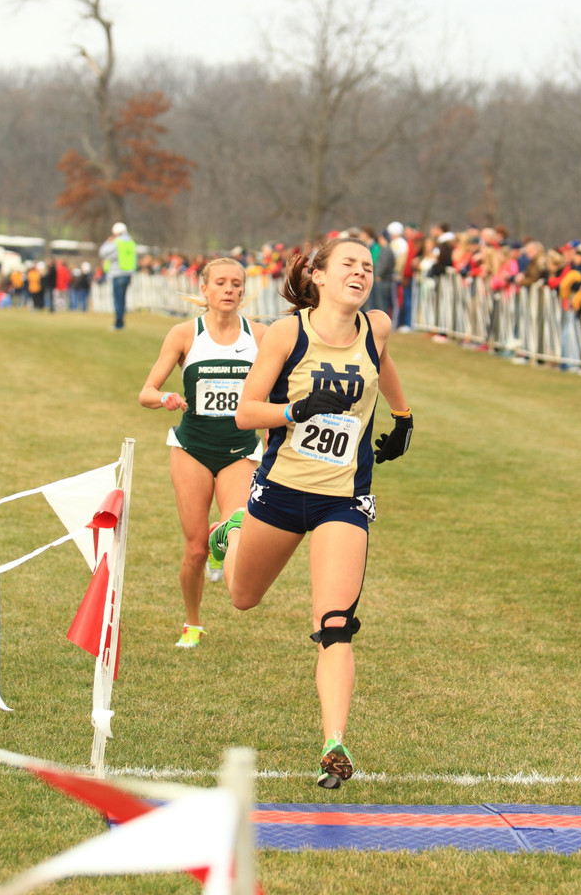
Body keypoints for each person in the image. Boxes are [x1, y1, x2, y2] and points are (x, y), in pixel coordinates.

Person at [207, 237, 413, 788]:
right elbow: (247, 414)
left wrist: (403, 414)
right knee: (242, 597)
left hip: (343, 500)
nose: (361, 272)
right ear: (319, 276)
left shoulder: (377, 327)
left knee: (336, 626)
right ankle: (231, 530)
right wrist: (295, 409)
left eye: (367, 267)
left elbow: (382, 363)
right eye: (348, 264)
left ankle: (334, 745)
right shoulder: (288, 333)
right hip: (278, 491)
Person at [138, 258, 268, 649]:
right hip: (192, 448)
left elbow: (281, 386)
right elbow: (145, 392)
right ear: (205, 290)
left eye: (236, 284)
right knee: (194, 549)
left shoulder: (259, 335)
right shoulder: (184, 334)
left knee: (238, 531)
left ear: (243, 292)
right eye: (221, 283)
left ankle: (220, 539)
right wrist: (165, 397)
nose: (229, 289)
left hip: (241, 450)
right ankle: (192, 623)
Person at [99, 221, 137, 330]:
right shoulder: (131, 242)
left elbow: (103, 253)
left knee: (118, 300)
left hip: (117, 273)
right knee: (123, 299)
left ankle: (118, 323)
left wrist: (108, 242)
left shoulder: (117, 242)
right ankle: (121, 321)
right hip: (128, 274)